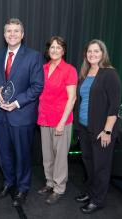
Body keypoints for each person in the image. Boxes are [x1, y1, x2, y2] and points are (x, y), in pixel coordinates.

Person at [0, 18, 43, 207]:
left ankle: (22, 187)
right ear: (4, 35)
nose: (12, 34)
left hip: (21, 114)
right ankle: (8, 182)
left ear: (22, 34)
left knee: (22, 154)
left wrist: (17, 103)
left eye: (16, 31)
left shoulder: (33, 56)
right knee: (3, 153)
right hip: (1, 115)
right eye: (9, 31)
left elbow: (37, 86)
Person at [74, 39, 121, 214]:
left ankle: (98, 200)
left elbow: (114, 106)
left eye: (96, 51)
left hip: (102, 130)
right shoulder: (86, 73)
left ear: (103, 53)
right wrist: (79, 128)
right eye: (89, 51)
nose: (92, 54)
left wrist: (107, 131)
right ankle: (90, 192)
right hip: (85, 129)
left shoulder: (109, 74)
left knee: (101, 166)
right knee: (88, 164)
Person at [37, 36, 77, 204]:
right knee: (47, 155)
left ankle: (59, 188)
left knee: (60, 156)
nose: (54, 50)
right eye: (52, 47)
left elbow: (72, 98)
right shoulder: (43, 68)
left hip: (61, 120)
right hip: (44, 117)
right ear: (48, 50)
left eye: (58, 47)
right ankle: (49, 182)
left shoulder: (69, 70)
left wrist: (62, 122)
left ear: (63, 50)